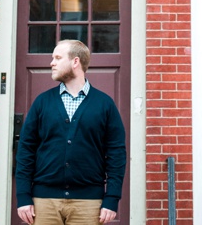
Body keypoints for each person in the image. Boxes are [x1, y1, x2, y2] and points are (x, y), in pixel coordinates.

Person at [14, 40, 126, 225]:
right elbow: (26, 151)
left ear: (75, 62)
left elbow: (116, 155)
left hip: (88, 203)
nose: (52, 63)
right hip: (43, 202)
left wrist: (112, 198)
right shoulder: (42, 102)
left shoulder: (105, 104)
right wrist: (24, 196)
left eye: (58, 58)